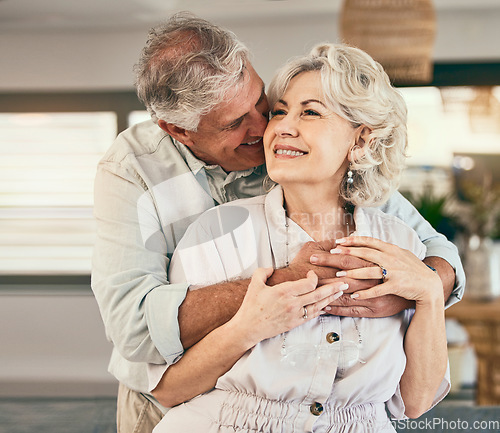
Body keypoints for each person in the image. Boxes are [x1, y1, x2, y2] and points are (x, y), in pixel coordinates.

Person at [91, 12, 464, 432]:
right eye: (235, 123)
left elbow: (434, 253)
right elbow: (137, 328)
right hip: (169, 402)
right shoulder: (136, 173)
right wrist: (287, 282)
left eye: (262, 103)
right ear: (179, 130)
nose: (267, 127)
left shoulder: (377, 217)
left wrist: (418, 291)